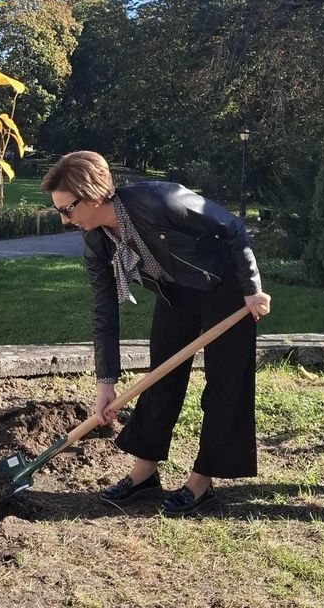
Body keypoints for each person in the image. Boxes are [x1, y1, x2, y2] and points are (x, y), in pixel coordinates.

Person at [41, 151, 271, 515]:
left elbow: (232, 227)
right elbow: (103, 310)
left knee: (226, 382)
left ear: (94, 195)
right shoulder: (97, 239)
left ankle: (201, 482)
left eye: (67, 209)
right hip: (176, 288)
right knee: (161, 375)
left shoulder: (159, 200)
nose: (65, 220)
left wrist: (251, 288)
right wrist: (106, 383)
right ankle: (144, 472)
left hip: (225, 284)